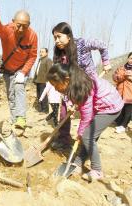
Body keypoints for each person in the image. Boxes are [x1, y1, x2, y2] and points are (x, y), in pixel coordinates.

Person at [47, 62, 123, 181]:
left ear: (67, 80)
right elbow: (69, 96)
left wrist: (80, 134)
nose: (55, 89)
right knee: (90, 137)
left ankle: (97, 170)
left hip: (110, 108)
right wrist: (70, 103)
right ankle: (78, 162)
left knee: (87, 137)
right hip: (100, 106)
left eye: (56, 85)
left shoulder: (82, 87)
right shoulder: (73, 83)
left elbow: (86, 116)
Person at [50, 22, 112, 150]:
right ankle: (63, 139)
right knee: (64, 112)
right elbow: (60, 80)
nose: (57, 40)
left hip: (89, 86)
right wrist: (68, 102)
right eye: (55, 37)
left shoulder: (82, 44)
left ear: (68, 36)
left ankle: (88, 142)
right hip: (69, 86)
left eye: (59, 36)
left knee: (89, 114)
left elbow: (102, 45)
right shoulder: (58, 54)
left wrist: (105, 62)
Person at [0, 1, 38, 128]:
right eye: (18, 25)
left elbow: (32, 56)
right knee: (11, 95)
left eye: (25, 26)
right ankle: (14, 119)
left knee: (19, 87)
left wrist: (23, 72)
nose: (21, 29)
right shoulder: (8, 30)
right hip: (8, 69)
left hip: (22, 68)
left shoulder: (32, 36)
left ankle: (21, 118)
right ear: (13, 22)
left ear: (29, 25)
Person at [112, 51, 132, 133]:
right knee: (119, 109)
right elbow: (115, 78)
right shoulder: (121, 68)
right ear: (128, 58)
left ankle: (124, 125)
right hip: (120, 93)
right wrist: (124, 75)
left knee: (128, 111)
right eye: (130, 58)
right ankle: (118, 123)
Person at [33, 48, 52, 114]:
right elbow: (37, 71)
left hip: (44, 80)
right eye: (40, 52)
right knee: (38, 95)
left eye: (43, 52)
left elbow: (49, 71)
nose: (41, 53)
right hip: (38, 80)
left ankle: (45, 110)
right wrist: (35, 80)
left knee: (43, 95)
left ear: (46, 53)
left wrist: (48, 80)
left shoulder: (48, 60)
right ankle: (40, 108)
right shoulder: (40, 60)